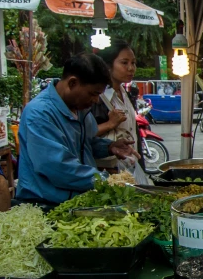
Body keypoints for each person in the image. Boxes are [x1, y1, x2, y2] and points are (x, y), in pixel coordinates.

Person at [16, 54, 139, 205]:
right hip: (45, 203)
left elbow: (85, 143)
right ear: (72, 83)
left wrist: (109, 147)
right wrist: (109, 180)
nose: (95, 101)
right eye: (92, 94)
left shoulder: (80, 109)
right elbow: (58, 167)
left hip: (78, 200)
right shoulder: (39, 113)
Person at [91, 41, 143, 171]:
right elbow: (82, 135)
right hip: (108, 171)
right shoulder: (97, 97)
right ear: (108, 65)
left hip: (128, 168)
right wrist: (110, 124)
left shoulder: (125, 93)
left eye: (133, 63)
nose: (131, 68)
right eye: (124, 63)